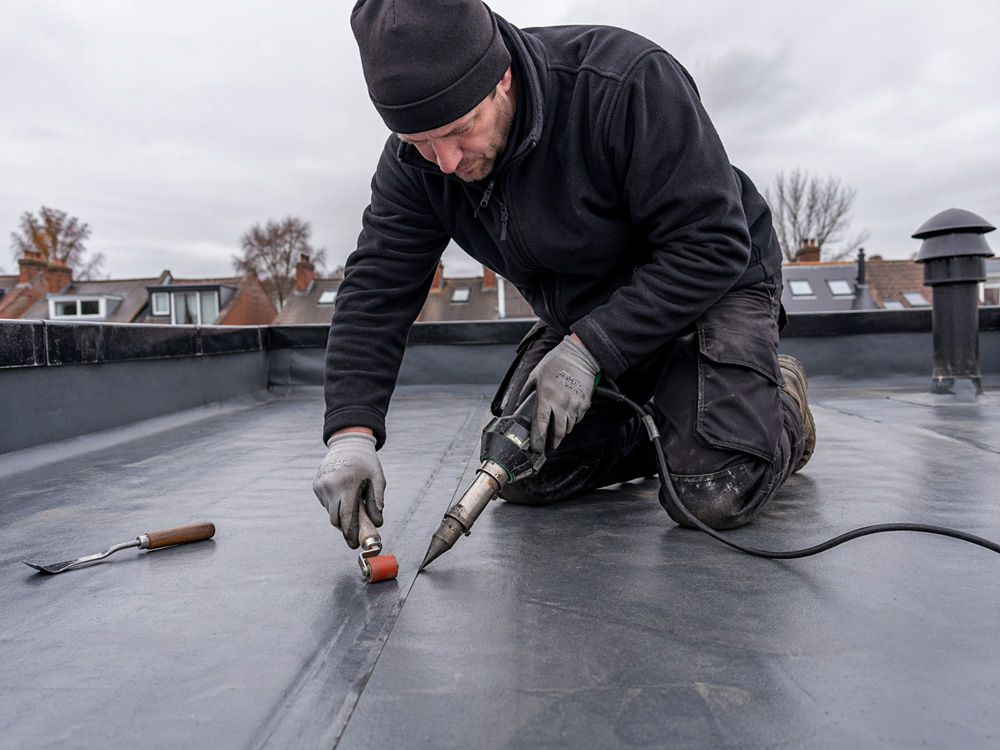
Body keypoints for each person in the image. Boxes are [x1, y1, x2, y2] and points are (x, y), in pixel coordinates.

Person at [313, 0, 816, 549]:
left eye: (461, 130)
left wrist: (587, 352)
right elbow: (377, 288)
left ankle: (778, 402)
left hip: (713, 286)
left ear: (502, 76)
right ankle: (674, 423)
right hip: (584, 313)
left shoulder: (625, 81)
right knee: (521, 470)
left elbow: (712, 243)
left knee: (711, 491)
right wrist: (350, 433)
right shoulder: (418, 164)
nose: (447, 163)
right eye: (420, 143)